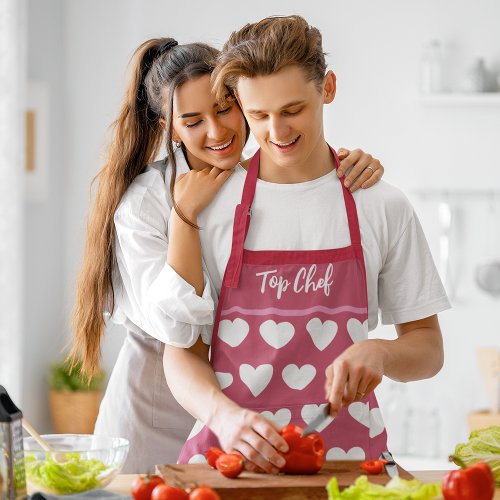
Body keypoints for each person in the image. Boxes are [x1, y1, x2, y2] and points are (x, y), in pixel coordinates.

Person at [68, 36, 385, 473]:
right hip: (156, 410)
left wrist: (348, 166)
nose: (216, 132)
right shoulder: (147, 203)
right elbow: (173, 328)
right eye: (193, 121)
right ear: (168, 127)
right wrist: (184, 215)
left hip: (242, 411)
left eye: (224, 108)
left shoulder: (259, 182)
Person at [162, 15, 450, 474]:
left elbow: (428, 348)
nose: (277, 132)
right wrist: (223, 416)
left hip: (350, 465)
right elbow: (180, 350)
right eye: (258, 115)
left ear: (328, 88)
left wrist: (380, 351)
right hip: (229, 462)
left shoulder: (381, 205)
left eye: (293, 109)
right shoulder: (211, 207)